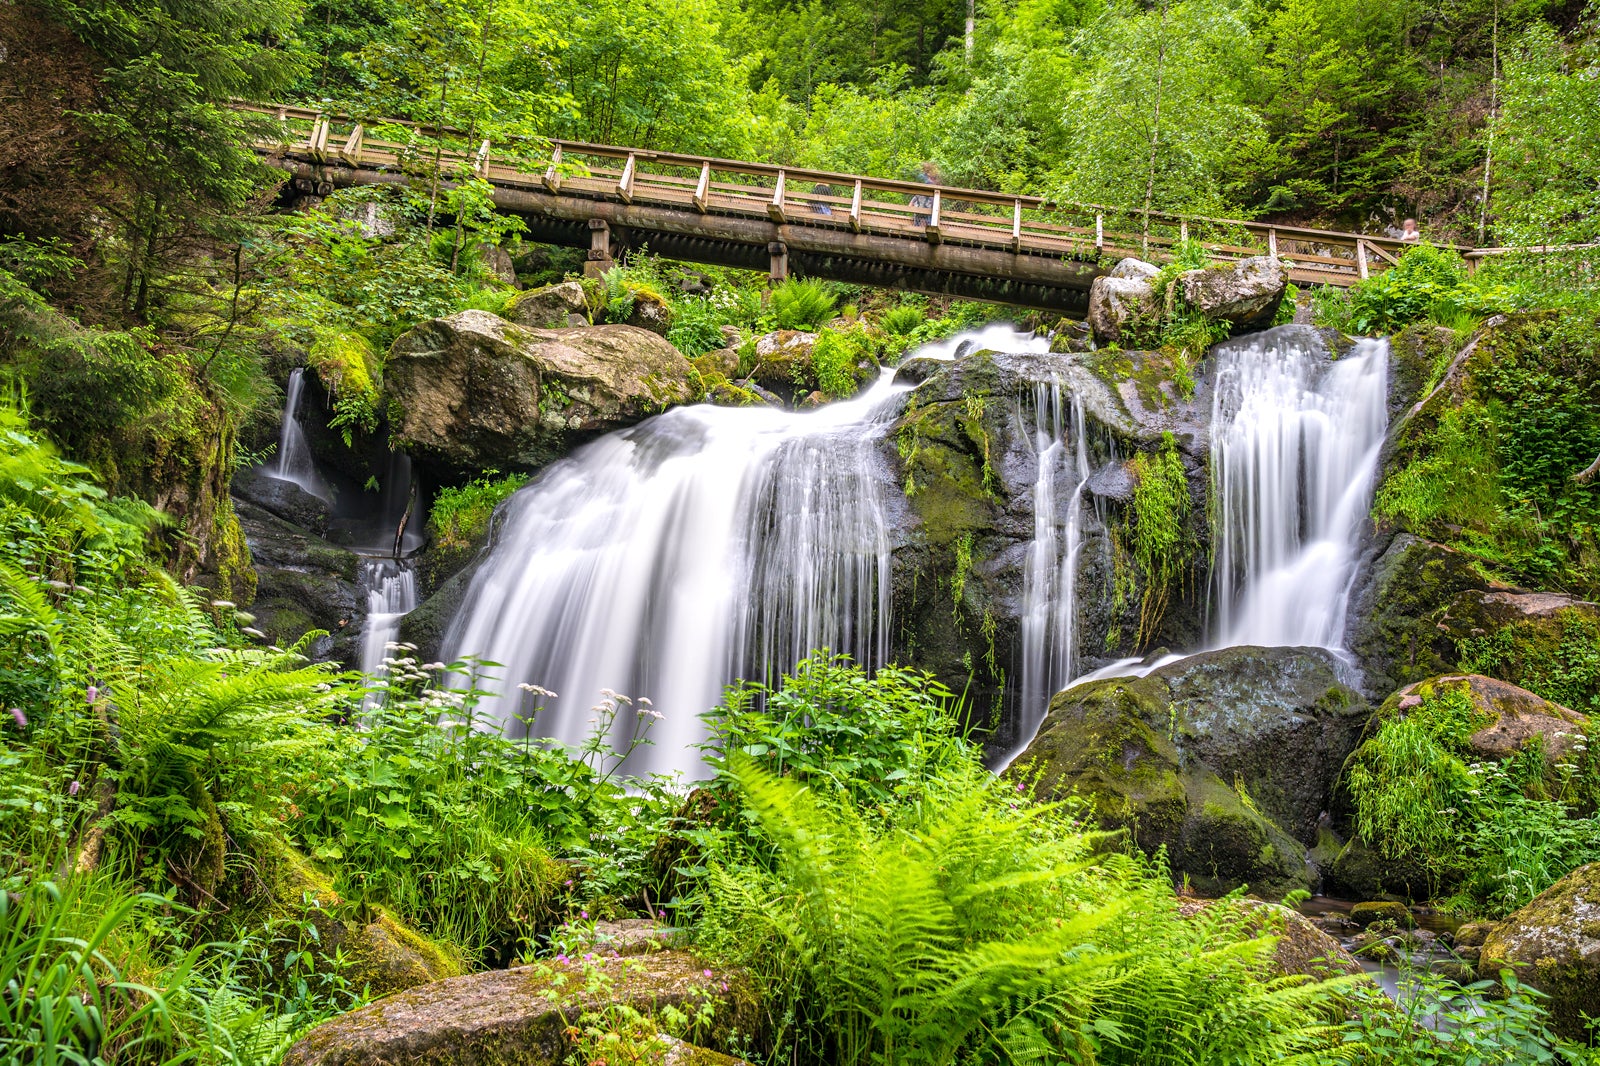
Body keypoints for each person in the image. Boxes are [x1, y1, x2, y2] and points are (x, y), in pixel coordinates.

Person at [910, 161, 941, 227]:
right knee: (928, 218)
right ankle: (927, 230)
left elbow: (914, 199)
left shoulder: (923, 178)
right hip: (924, 207)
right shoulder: (926, 180)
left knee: (924, 218)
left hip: (922, 207)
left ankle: (918, 230)